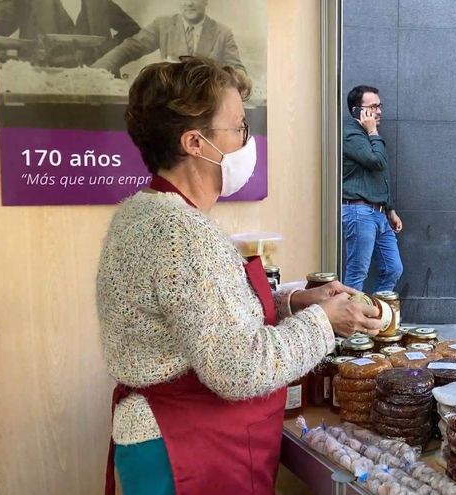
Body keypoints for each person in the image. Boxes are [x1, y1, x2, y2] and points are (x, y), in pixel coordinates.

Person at [97, 56, 381, 495]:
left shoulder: (145, 212)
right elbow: (237, 368)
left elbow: (204, 315)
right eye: (240, 128)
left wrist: (291, 302)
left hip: (164, 438)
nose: (249, 141)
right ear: (195, 142)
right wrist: (326, 322)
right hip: (181, 449)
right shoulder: (180, 232)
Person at [342, 84, 403, 292]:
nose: (379, 111)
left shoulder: (369, 135)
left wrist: (390, 210)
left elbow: (381, 174)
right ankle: (351, 323)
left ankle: (377, 317)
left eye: (380, 106)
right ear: (357, 111)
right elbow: (376, 161)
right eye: (373, 106)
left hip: (379, 214)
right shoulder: (350, 134)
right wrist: (373, 132)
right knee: (357, 272)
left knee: (393, 268)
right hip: (358, 211)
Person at [92, 0, 244, 76]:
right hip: (171, 105)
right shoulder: (163, 25)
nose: (189, 3)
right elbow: (130, 48)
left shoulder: (223, 33)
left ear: (205, 1)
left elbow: (238, 70)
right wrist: (95, 72)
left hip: (206, 107)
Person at [0, 0, 140, 66]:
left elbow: (133, 31)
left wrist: (109, 52)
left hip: (95, 91)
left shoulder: (101, 3)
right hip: (42, 93)